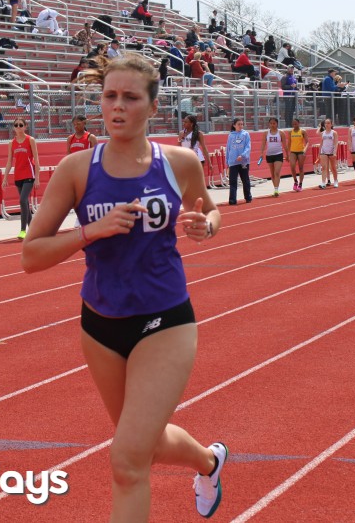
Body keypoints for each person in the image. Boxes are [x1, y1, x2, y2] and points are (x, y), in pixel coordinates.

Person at [20, 54, 226, 521]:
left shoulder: (179, 162)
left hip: (165, 320)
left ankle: (206, 463)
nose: (117, 106)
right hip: (100, 325)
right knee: (143, 446)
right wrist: (91, 231)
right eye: (109, 95)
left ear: (153, 106)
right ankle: (209, 462)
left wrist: (206, 226)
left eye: (130, 97)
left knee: (127, 461)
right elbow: (31, 257)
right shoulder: (76, 169)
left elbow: (211, 211)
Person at [226, 118, 252, 205]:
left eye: (242, 124)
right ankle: (232, 200)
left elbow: (248, 146)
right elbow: (228, 149)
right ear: (234, 125)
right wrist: (227, 162)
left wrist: (243, 155)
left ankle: (248, 197)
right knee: (233, 181)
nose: (240, 126)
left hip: (243, 162)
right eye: (238, 124)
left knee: (245, 180)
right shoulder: (231, 135)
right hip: (233, 162)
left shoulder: (245, 134)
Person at [258, 117, 285, 197]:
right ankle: (275, 188)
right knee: (272, 173)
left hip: (278, 154)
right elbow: (263, 144)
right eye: (271, 123)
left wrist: (287, 154)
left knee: (277, 172)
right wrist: (261, 153)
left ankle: (276, 190)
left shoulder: (281, 133)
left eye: (274, 123)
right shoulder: (266, 133)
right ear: (269, 124)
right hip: (269, 155)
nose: (272, 125)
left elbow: (285, 145)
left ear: (277, 124)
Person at [178, 115, 210, 182]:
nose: (184, 123)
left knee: (196, 181)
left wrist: (209, 163)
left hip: (197, 159)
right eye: (183, 122)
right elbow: (178, 147)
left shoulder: (199, 134)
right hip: (185, 159)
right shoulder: (181, 133)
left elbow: (204, 148)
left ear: (191, 124)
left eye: (186, 122)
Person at [287, 117, 308, 192]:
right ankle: (295, 181)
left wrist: (305, 150)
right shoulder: (290, 132)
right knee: (292, 167)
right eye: (293, 124)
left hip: (301, 151)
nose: (294, 125)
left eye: (296, 124)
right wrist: (288, 153)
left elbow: (307, 142)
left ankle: (300, 184)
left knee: (301, 168)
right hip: (293, 151)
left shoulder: (303, 131)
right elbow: (289, 142)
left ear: (299, 123)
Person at [318, 118, 339, 188]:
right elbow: (321, 143)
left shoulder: (334, 133)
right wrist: (319, 152)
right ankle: (323, 182)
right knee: (324, 167)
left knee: (333, 168)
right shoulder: (322, 133)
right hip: (324, 151)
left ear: (331, 124)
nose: (327, 125)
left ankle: (335, 180)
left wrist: (334, 152)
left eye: (328, 123)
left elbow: (336, 143)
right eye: (325, 123)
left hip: (331, 151)